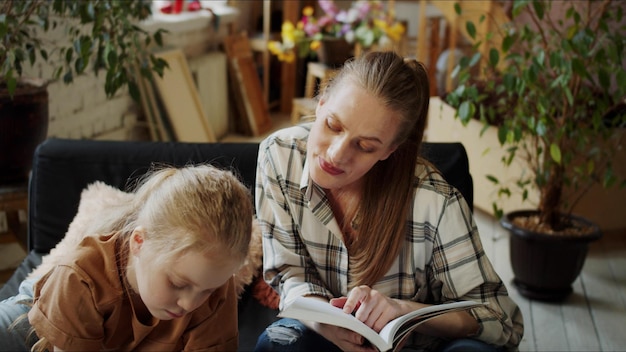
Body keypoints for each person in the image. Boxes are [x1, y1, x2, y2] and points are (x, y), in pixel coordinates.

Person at [254, 51, 524, 352]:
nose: (336, 154)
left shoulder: (435, 201)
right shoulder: (278, 156)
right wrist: (324, 323)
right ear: (321, 104)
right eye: (333, 125)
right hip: (321, 339)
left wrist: (404, 311)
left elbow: (501, 320)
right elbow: (288, 272)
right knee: (279, 344)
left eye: (365, 146)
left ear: (389, 150)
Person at [0, 164, 253, 351]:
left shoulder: (216, 289)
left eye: (207, 290)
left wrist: (205, 290)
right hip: (41, 319)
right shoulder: (81, 276)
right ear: (138, 242)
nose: (189, 303)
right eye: (178, 283)